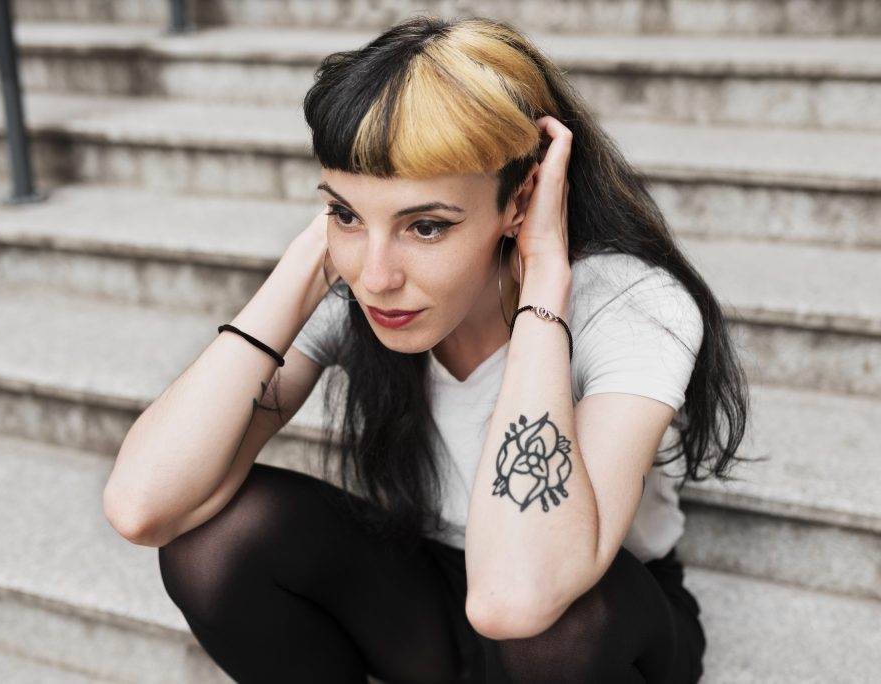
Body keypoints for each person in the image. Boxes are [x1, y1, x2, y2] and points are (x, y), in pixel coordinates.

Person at [104, 14, 754, 683]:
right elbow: (143, 505)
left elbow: (516, 599)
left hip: (597, 621)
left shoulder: (630, 302)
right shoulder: (357, 280)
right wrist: (310, 260)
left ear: (522, 199)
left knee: (555, 629)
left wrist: (544, 290)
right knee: (213, 544)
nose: (379, 276)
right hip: (435, 593)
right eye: (346, 213)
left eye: (426, 226)